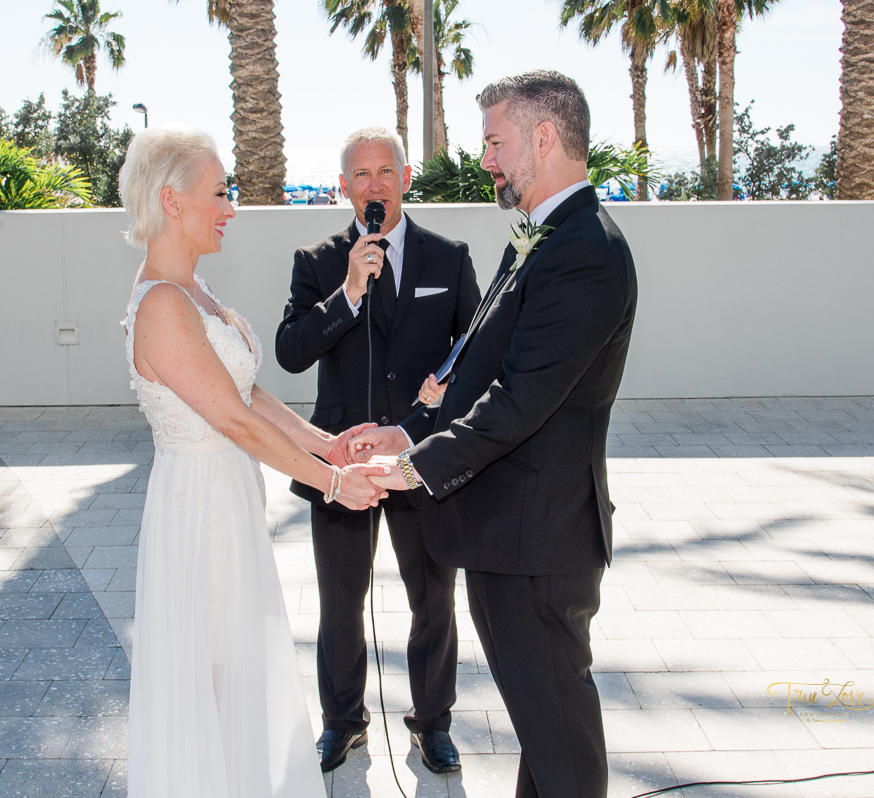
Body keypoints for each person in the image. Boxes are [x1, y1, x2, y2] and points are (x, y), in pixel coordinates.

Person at [349, 72, 638, 798]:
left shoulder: (584, 252)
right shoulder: (541, 237)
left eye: (494, 141)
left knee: (561, 741)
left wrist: (416, 467)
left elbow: (520, 399)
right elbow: (469, 370)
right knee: (544, 734)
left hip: (537, 544)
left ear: (544, 137)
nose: (486, 160)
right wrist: (403, 431)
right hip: (510, 537)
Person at [118, 127, 388, 798]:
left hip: (227, 500)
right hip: (197, 510)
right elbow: (232, 421)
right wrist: (332, 483)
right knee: (209, 672)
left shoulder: (196, 292)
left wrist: (324, 442)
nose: (230, 208)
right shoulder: (160, 305)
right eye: (220, 192)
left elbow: (247, 392)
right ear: (172, 201)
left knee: (236, 668)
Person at [275, 127, 481, 774]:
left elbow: (474, 360)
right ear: (343, 187)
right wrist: (349, 294)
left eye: (383, 172)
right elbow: (289, 352)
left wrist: (434, 412)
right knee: (340, 602)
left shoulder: (448, 258)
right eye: (358, 175)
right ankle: (343, 723)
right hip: (340, 461)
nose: (372, 185)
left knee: (433, 599)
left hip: (419, 461)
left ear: (405, 177)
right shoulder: (317, 262)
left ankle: (433, 723)